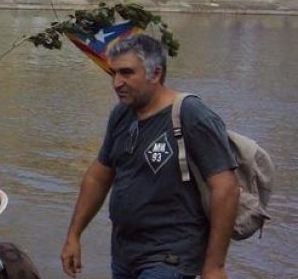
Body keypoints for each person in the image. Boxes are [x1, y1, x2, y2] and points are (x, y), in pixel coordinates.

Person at [60, 34, 238, 279]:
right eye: (113, 74)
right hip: (124, 254)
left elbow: (225, 188)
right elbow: (98, 177)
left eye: (126, 73)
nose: (116, 83)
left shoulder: (191, 114)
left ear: (155, 73)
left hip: (170, 256)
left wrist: (214, 266)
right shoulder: (121, 115)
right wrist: (73, 235)